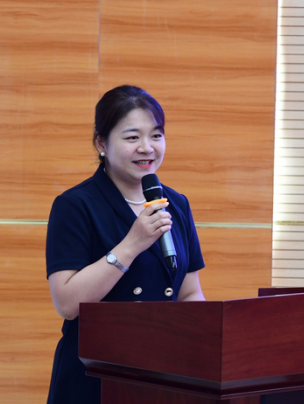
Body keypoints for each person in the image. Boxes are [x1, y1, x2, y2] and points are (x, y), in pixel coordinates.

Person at [45, 85, 206, 404]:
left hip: (162, 372)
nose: (147, 147)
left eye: (156, 135)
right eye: (132, 137)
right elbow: (67, 303)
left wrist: (210, 339)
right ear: (101, 143)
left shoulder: (175, 203)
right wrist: (132, 244)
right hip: (94, 376)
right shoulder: (75, 205)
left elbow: (189, 292)